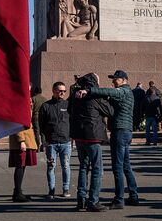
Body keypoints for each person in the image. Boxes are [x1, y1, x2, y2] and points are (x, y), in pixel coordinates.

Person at [78, 69, 140, 208]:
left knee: (117, 167)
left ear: (124, 80)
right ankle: (133, 195)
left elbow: (109, 92)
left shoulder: (123, 91)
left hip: (120, 131)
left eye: (116, 79)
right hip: (125, 131)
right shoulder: (126, 92)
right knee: (126, 165)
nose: (113, 81)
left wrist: (90, 90)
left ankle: (119, 199)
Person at [69, 72, 113, 211]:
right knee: (97, 169)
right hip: (92, 135)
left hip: (79, 135)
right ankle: (93, 201)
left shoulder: (75, 96)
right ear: (94, 83)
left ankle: (80, 199)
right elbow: (110, 111)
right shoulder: (94, 96)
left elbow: (70, 110)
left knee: (83, 167)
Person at [36, 81, 72, 199]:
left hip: (65, 142)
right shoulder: (46, 106)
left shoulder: (68, 105)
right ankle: (51, 190)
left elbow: (72, 122)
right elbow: (41, 125)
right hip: (51, 143)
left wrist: (71, 138)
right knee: (51, 167)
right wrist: (44, 141)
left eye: (64, 91)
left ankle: (65, 189)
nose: (62, 93)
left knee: (66, 166)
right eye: (60, 90)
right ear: (54, 90)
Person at [8, 122, 38, 202]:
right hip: (23, 141)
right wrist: (21, 140)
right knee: (20, 166)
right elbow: (18, 123)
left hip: (26, 139)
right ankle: (18, 194)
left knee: (22, 166)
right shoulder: (19, 108)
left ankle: (17, 192)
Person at [142, 80, 162, 144]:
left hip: (148, 114)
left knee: (147, 129)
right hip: (155, 115)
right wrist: (161, 114)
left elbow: (142, 106)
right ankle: (155, 141)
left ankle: (148, 141)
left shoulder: (146, 97)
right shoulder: (157, 97)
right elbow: (160, 106)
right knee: (155, 129)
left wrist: (142, 113)